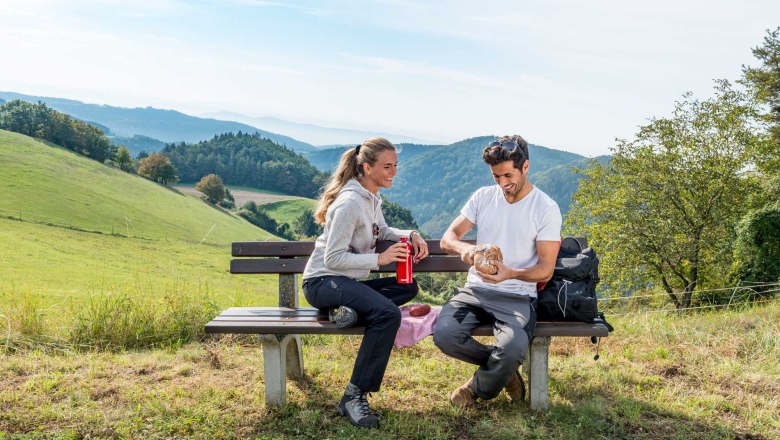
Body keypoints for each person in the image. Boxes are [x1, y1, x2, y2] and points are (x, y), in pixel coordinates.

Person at [302, 137, 429, 428]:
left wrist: (410, 233)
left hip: (347, 283)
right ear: (367, 167)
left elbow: (382, 229)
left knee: (407, 286)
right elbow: (333, 259)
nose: (393, 172)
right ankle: (354, 395)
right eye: (387, 166)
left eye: (395, 165)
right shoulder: (349, 203)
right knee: (387, 314)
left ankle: (349, 312)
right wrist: (379, 260)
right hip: (323, 282)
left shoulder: (370, 197)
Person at [433, 135, 562, 407]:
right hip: (475, 291)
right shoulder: (482, 197)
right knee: (445, 336)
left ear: (525, 166)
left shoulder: (545, 208)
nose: (503, 184)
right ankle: (505, 369)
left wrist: (510, 273)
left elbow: (545, 269)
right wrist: (463, 249)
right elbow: (448, 238)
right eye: (496, 177)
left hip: (517, 295)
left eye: (508, 175)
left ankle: (475, 388)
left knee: (513, 347)